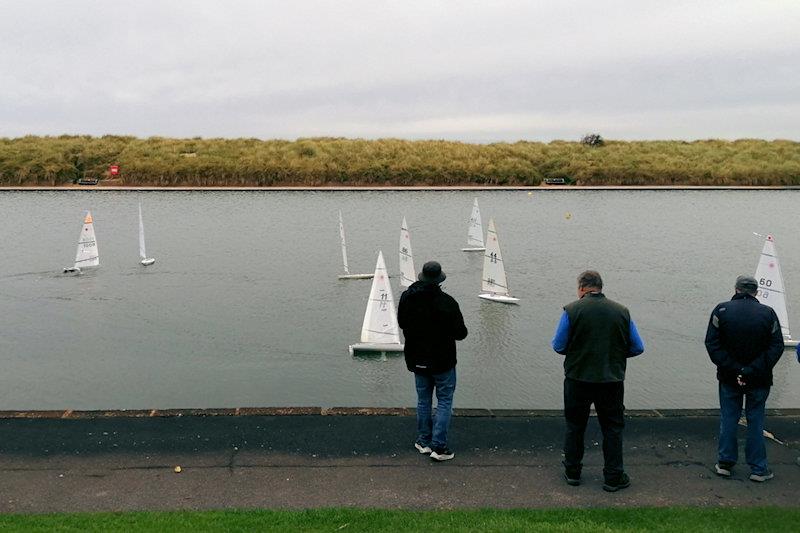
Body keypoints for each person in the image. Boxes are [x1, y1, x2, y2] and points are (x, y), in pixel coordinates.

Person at [551, 270, 644, 492]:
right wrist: (615, 355)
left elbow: (558, 345)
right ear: (600, 287)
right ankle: (613, 476)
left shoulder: (571, 310)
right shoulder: (622, 311)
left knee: (575, 426)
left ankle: (573, 472)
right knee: (612, 427)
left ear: (582, 288)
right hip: (611, 379)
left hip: (577, 378)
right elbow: (638, 347)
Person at [705, 275, 784, 482]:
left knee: (729, 418)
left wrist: (735, 369)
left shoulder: (721, 310)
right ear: (756, 292)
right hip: (759, 378)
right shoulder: (768, 313)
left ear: (736, 289)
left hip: (729, 377)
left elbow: (712, 344)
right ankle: (758, 469)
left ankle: (725, 463)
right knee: (756, 421)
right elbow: (776, 347)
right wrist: (751, 370)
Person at [398, 261, 467, 461]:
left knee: (423, 400)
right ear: (439, 280)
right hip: (443, 361)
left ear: (422, 277)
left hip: (417, 358)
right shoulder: (448, 302)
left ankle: (423, 441)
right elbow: (460, 333)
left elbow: (402, 323)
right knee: (444, 401)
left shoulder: (407, 298)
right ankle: (439, 447)